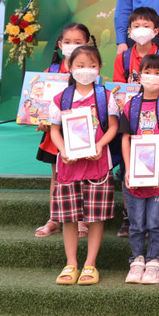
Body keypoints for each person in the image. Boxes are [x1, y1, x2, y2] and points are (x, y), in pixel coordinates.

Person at [46, 45, 118, 285]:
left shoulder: (105, 97)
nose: (86, 70)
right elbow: (54, 131)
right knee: (69, 218)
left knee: (95, 217)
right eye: (80, 65)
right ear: (70, 67)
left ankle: (90, 264)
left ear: (99, 68)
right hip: (69, 167)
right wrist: (63, 150)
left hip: (98, 166)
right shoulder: (61, 98)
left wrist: (100, 145)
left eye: (92, 65)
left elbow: (113, 127)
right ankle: (71, 264)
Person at [119, 54, 159, 285]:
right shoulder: (130, 105)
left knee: (155, 221)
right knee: (136, 223)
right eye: (148, 72)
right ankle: (136, 260)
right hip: (136, 169)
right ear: (139, 75)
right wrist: (128, 169)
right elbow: (125, 138)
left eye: (157, 73)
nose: (152, 77)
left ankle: (154, 262)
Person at [36, 23, 93, 238]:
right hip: (55, 134)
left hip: (82, 133)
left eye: (78, 42)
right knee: (57, 176)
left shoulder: (90, 72)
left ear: (87, 44)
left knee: (82, 176)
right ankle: (55, 218)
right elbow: (39, 106)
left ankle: (81, 219)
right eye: (67, 42)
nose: (72, 46)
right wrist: (42, 121)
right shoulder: (50, 73)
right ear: (60, 45)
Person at [113, 7, 159, 84]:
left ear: (155, 31)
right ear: (130, 31)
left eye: (146, 26)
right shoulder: (122, 58)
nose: (141, 30)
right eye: (136, 26)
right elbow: (119, 86)